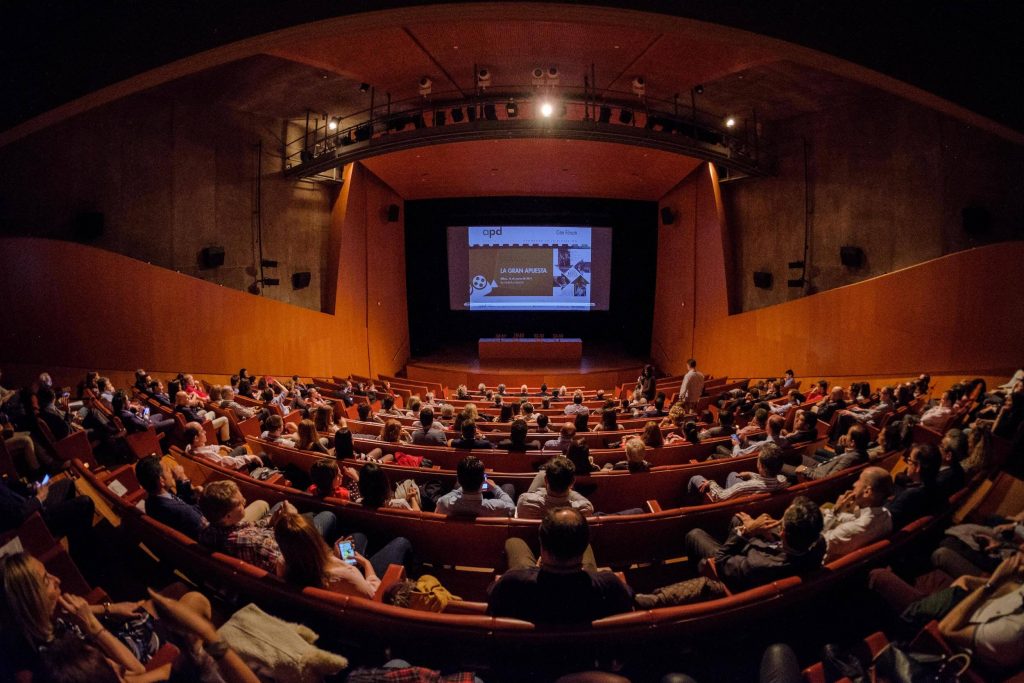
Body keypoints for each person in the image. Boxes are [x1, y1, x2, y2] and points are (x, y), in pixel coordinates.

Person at [640, 497, 826, 608]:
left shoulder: (756, 565)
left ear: (784, 532)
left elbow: (721, 560)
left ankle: (697, 570)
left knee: (694, 535)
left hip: (732, 576)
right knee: (738, 519)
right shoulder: (817, 543)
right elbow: (785, 548)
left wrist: (747, 531)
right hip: (770, 557)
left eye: (781, 522)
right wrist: (764, 532)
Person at [487, 507, 634, 624]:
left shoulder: (513, 582)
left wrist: (537, 569)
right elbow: (629, 598)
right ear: (582, 549)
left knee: (514, 542)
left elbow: (491, 595)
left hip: (529, 656)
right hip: (589, 657)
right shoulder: (609, 585)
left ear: (542, 548)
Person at [198, 480, 336, 573]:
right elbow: (290, 562)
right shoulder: (252, 543)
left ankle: (309, 516)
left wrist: (272, 520)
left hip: (269, 536)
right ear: (227, 516)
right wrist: (292, 520)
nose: (245, 501)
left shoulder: (210, 528)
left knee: (280, 505)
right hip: (291, 544)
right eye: (240, 504)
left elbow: (250, 527)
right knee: (327, 515)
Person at [274, 511, 412, 599]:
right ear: (316, 539)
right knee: (401, 542)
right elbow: (374, 595)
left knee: (358, 536)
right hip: (367, 592)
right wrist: (367, 565)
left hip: (339, 591)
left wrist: (334, 557)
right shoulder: (345, 575)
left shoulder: (283, 565)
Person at [0, 476, 95, 562]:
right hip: (29, 525)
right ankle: (82, 559)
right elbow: (15, 517)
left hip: (29, 506)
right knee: (85, 504)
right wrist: (38, 498)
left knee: (67, 483)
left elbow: (6, 483)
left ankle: (77, 545)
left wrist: (30, 487)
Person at [820, 466, 894, 562]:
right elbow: (853, 518)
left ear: (867, 491)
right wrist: (830, 512)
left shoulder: (855, 529)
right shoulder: (885, 514)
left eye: (859, 480)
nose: (854, 484)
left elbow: (817, 542)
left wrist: (835, 511)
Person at [135, 455, 208, 539]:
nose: (171, 473)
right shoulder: (181, 511)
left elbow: (180, 503)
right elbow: (206, 528)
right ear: (161, 480)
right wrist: (204, 499)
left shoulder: (150, 502)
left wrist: (181, 480)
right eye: (167, 470)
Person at [689, 443, 789, 502]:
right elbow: (767, 479)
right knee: (733, 474)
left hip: (728, 507)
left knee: (695, 478)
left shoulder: (743, 488)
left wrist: (711, 483)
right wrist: (751, 474)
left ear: (761, 466)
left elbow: (720, 496)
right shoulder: (783, 480)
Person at [886, 442, 943, 529]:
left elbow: (886, 519)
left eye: (910, 461)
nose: (907, 464)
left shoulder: (910, 495)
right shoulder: (938, 487)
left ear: (918, 467)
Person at [515, 456, 594, 519]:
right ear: (573, 482)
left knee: (541, 473)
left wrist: (541, 491)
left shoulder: (524, 502)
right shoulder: (584, 509)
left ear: (546, 480)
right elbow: (584, 502)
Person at [434, 455, 514, 517]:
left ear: (458, 479)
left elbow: (450, 495)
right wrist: (495, 488)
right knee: (509, 486)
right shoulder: (498, 507)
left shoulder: (443, 503)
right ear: (483, 480)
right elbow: (512, 507)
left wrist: (465, 482)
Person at [184, 421, 263, 470]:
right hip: (230, 470)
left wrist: (220, 446)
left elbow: (205, 448)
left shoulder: (188, 447)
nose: (205, 432)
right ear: (196, 438)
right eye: (202, 431)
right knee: (261, 456)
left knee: (240, 448)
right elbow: (231, 463)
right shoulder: (207, 455)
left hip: (222, 465)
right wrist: (252, 457)